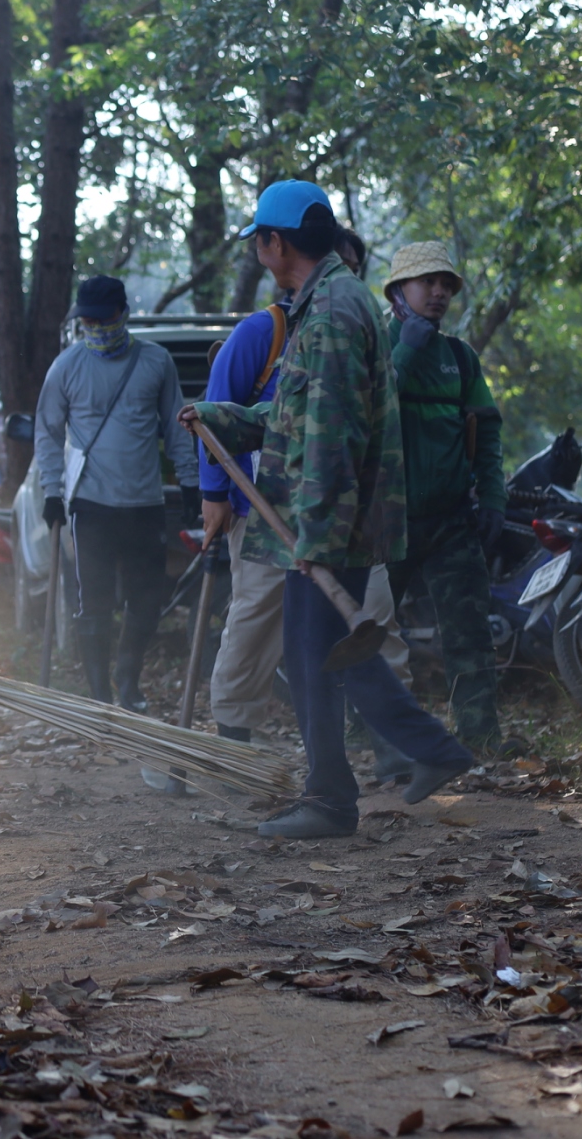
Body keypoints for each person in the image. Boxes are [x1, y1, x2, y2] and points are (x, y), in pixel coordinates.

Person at [185, 181, 472, 840]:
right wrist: (220, 415)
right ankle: (415, 756)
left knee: (318, 652)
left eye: (259, 240)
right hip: (326, 518)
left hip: (324, 523)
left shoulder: (334, 314)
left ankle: (339, 794)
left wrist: (313, 533)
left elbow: (334, 434)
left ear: (274, 243)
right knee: (326, 651)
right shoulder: (325, 305)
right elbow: (295, 418)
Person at [200, 232, 415, 749]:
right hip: (264, 512)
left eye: (351, 266)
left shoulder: (354, 328)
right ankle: (233, 740)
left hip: (345, 515)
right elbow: (217, 412)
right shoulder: (262, 333)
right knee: (254, 622)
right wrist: (214, 496)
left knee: (374, 616)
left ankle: (388, 742)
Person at [34, 275, 200, 713]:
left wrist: (190, 482)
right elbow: (47, 433)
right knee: (95, 605)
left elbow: (176, 427)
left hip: (144, 504)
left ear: (122, 315)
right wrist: (53, 491)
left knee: (147, 601)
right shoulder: (66, 367)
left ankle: (127, 675)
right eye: (86, 320)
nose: (95, 328)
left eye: (102, 319)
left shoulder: (156, 362)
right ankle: (100, 695)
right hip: (90, 505)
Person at [380, 241, 513, 754]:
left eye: (445, 285)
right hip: (384, 522)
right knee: (369, 632)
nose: (438, 293)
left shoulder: (460, 356)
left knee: (469, 632)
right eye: (426, 282)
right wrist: (406, 349)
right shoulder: (373, 345)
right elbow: (364, 411)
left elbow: (488, 430)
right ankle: (367, 738)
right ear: (398, 291)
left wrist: (494, 500)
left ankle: (479, 738)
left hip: (451, 520)